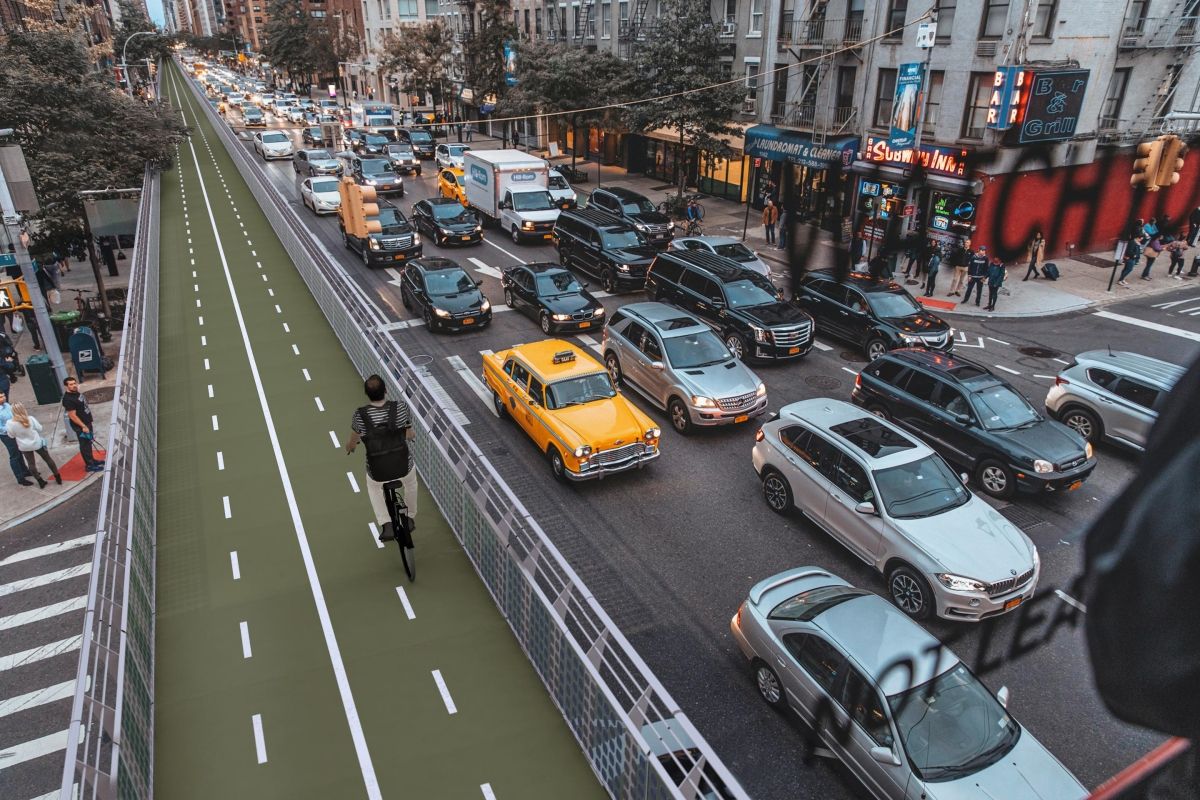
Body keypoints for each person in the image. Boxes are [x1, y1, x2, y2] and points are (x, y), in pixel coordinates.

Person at [345, 374, 418, 542]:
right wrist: (410, 435)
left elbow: (353, 440)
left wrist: (350, 447)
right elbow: (409, 433)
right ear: (386, 390)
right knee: (411, 483)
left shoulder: (360, 415)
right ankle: (410, 517)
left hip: (377, 470)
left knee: (374, 488)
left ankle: (386, 523)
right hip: (402, 465)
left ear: (366, 394)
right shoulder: (401, 408)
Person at [6, 403, 60, 488]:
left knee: (31, 464)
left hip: (24, 446)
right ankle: (57, 477)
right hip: (37, 443)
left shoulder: (10, 423)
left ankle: (40, 481)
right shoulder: (30, 419)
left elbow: (11, 435)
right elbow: (40, 428)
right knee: (48, 459)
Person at [62, 377, 104, 473]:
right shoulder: (68, 399)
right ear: (66, 386)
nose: (73, 385)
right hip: (81, 426)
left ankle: (92, 460)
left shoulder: (76, 393)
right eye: (71, 384)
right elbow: (72, 416)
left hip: (87, 422)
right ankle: (89, 465)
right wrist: (83, 426)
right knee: (84, 445)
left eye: (74, 383)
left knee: (88, 443)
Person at [0, 388, 32, 486]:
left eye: (3, 396)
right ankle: (20, 477)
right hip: (6, 435)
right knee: (14, 455)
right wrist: (10, 429)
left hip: (15, 432)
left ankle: (25, 470)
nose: (3, 398)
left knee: (19, 452)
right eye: (0, 397)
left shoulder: (7, 405)